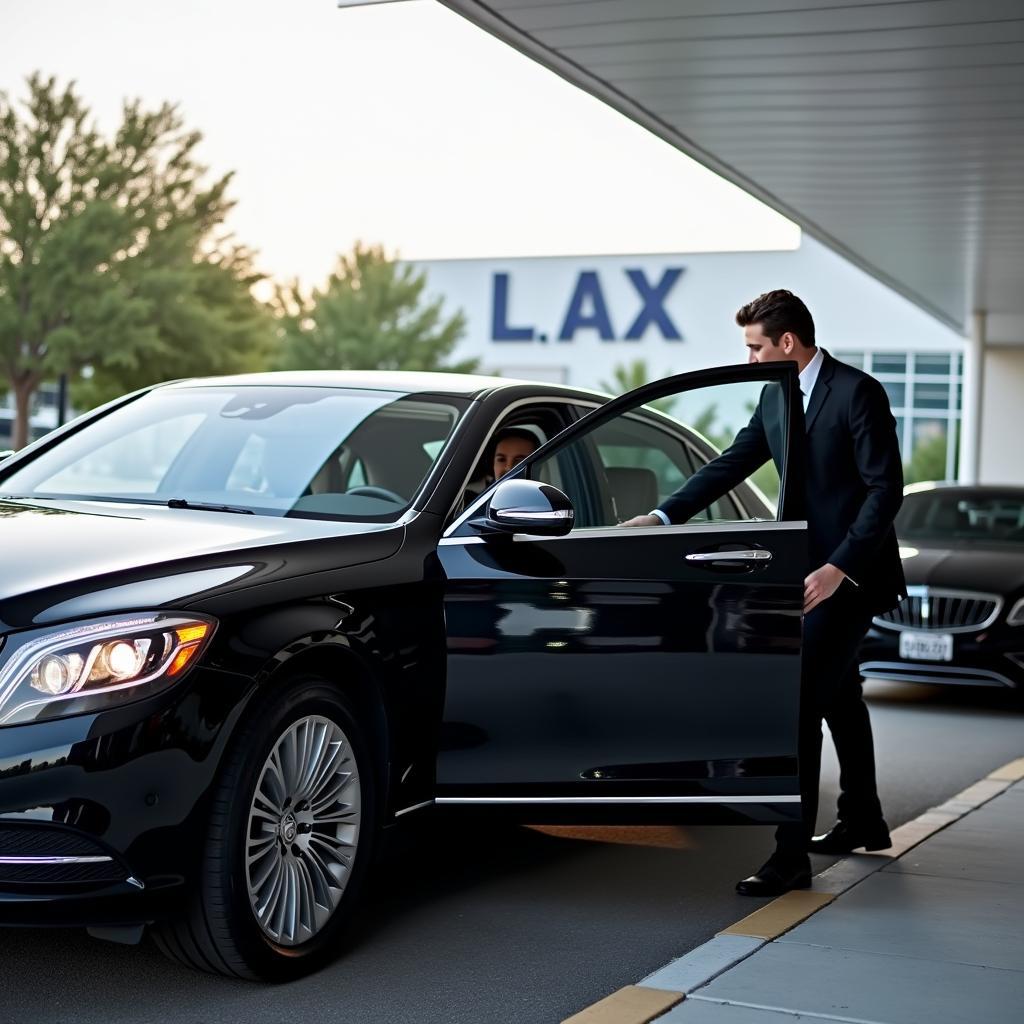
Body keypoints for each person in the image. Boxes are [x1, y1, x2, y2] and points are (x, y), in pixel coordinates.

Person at [622, 289, 906, 897]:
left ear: (786, 342)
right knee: (841, 695)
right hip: (805, 573)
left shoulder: (858, 393)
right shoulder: (776, 397)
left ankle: (790, 858)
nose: (749, 360)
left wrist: (838, 569)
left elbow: (886, 491)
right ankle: (864, 817)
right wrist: (663, 517)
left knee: (799, 701)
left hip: (849, 576)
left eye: (755, 347)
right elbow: (732, 462)